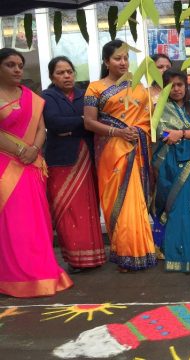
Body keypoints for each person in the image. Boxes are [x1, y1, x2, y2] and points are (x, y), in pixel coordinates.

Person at [0, 48, 73, 297]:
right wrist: (22, 150)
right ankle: (12, 276)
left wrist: (33, 149)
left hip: (32, 167)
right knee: (12, 223)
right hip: (5, 168)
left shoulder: (32, 97)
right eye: (10, 65)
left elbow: (42, 128)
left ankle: (41, 271)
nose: (18, 69)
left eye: (20, 64)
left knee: (36, 221)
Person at [84, 39, 156, 272]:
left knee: (136, 202)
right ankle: (125, 253)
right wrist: (118, 131)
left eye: (126, 58)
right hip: (112, 150)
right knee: (120, 202)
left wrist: (137, 132)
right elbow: (89, 122)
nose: (123, 62)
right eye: (117, 58)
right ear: (106, 62)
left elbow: (148, 119)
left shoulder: (138, 86)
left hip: (137, 148)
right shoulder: (95, 88)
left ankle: (141, 252)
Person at [42, 56, 105, 273]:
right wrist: (85, 120)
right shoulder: (47, 97)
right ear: (52, 76)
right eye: (60, 72)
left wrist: (80, 124)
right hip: (60, 160)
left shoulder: (85, 94)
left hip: (87, 157)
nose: (66, 76)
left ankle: (93, 257)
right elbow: (53, 123)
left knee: (88, 207)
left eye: (69, 71)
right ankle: (75, 260)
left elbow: (98, 121)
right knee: (65, 208)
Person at [152, 69, 190, 273]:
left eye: (180, 84)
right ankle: (176, 256)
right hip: (169, 163)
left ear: (186, 86)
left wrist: (181, 133)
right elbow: (157, 134)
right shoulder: (158, 109)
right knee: (176, 208)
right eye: (171, 85)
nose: (176, 89)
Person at [149, 53, 172, 260]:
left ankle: (174, 241)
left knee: (174, 194)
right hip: (156, 149)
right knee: (158, 194)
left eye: (167, 66)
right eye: (159, 67)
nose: (163, 70)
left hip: (178, 151)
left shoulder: (178, 93)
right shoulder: (145, 94)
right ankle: (159, 243)